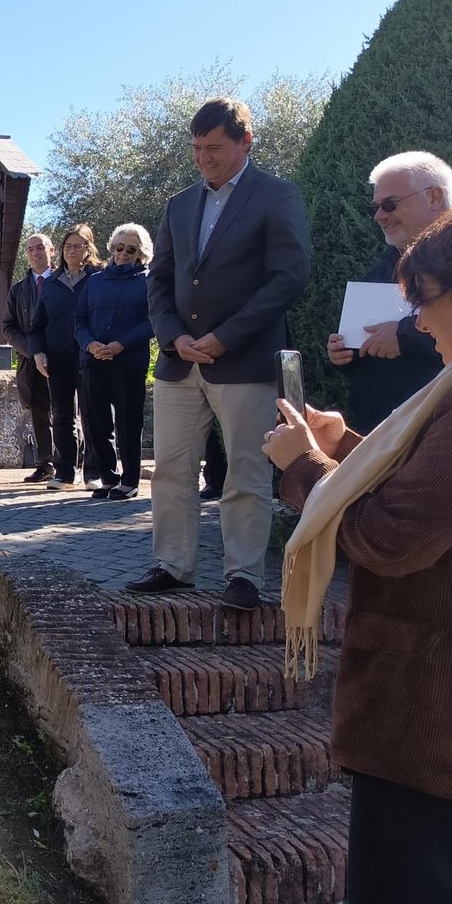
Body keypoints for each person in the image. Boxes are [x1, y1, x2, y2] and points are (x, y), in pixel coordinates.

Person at [262, 193, 452, 904]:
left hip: (449, 722)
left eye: (423, 300)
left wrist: (304, 470)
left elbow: (392, 536)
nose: (417, 321)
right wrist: (344, 450)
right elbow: (446, 499)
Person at [127, 97, 310, 611]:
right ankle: (172, 566)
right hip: (179, 362)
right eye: (195, 148)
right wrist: (172, 337)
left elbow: (289, 277)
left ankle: (244, 576)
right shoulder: (179, 204)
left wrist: (227, 336)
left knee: (246, 472)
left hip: (245, 361)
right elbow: (159, 281)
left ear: (245, 142)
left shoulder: (277, 195)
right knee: (170, 469)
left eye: (214, 148)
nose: (202, 158)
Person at [326, 151, 452, 432]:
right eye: (376, 207)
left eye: (390, 204)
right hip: (381, 433)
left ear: (434, 197)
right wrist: (345, 351)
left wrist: (405, 336)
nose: (379, 216)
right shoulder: (383, 267)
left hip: (446, 427)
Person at [74, 224, 153, 499]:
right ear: (112, 248)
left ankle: (129, 481)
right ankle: (108, 478)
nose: (123, 253)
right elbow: (79, 319)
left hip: (129, 361)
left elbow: (153, 321)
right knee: (96, 422)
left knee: (128, 423)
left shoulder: (149, 281)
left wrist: (122, 344)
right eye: (119, 247)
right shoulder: (95, 281)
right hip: (94, 360)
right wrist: (90, 344)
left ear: (140, 253)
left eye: (131, 249)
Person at [31, 224, 104, 491]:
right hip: (57, 356)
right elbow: (37, 325)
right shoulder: (51, 283)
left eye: (78, 246)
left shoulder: (99, 278)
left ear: (88, 248)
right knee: (61, 415)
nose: (72, 251)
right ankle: (64, 473)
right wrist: (38, 352)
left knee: (92, 413)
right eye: (68, 246)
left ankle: (94, 472)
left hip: (90, 356)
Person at [3, 233, 57, 482]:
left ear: (51, 251)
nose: (35, 253)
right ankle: (46, 464)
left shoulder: (64, 281)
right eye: (30, 249)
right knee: (39, 413)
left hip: (62, 358)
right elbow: (8, 327)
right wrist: (33, 352)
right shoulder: (18, 290)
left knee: (68, 413)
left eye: (40, 248)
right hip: (30, 362)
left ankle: (70, 464)